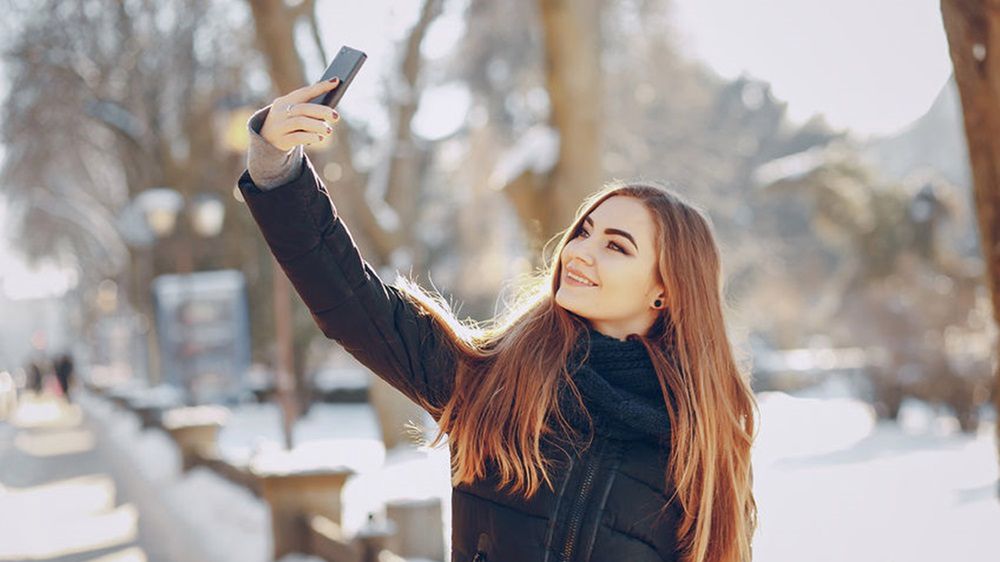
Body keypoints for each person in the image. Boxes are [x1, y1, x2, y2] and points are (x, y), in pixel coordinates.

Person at [237, 79, 759, 562]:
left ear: (664, 292)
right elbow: (352, 303)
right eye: (584, 231)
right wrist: (277, 167)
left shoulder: (700, 443)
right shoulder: (494, 380)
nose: (579, 251)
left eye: (616, 246)